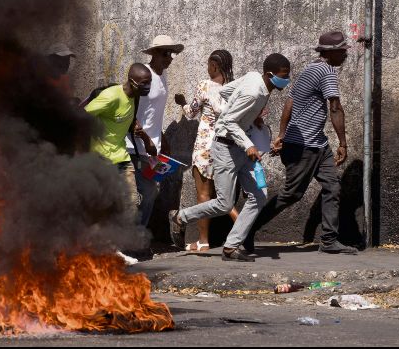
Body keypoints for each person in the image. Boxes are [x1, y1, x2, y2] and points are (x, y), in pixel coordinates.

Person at [169, 53, 292, 262]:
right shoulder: (253, 93)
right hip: (226, 148)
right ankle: (179, 217)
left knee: (259, 196)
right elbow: (228, 123)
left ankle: (231, 246)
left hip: (240, 148)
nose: (286, 80)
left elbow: (226, 92)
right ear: (270, 75)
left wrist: (251, 119)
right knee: (224, 204)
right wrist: (249, 144)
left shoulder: (255, 78)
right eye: (283, 76)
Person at [244, 31, 357, 255]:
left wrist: (282, 134)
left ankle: (329, 240)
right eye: (342, 50)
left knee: (333, 187)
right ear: (330, 52)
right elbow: (335, 107)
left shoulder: (310, 69)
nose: (345, 54)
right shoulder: (326, 72)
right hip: (303, 146)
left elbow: (290, 102)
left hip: (317, 144)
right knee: (291, 194)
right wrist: (343, 143)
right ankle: (245, 231)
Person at [85, 63, 153, 265]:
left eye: (149, 82)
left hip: (122, 157)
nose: (148, 86)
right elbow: (84, 114)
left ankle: (113, 248)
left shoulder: (136, 97)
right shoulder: (111, 96)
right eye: (144, 83)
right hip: (101, 159)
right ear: (132, 81)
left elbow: (124, 119)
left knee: (131, 204)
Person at [174, 50, 239, 251]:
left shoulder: (205, 86)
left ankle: (203, 241)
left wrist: (182, 102)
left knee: (203, 195)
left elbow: (192, 112)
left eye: (208, 64)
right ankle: (244, 233)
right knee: (224, 197)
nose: (207, 68)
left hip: (205, 147)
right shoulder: (235, 89)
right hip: (226, 147)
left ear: (215, 66)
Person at [125, 35, 184, 228]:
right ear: (155, 54)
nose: (170, 58)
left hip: (152, 147)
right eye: (166, 53)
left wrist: (162, 139)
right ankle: (134, 239)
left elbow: (153, 113)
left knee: (149, 192)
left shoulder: (162, 76)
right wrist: (143, 136)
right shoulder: (143, 75)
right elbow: (129, 108)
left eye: (172, 54)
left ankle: (135, 238)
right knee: (145, 192)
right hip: (136, 145)